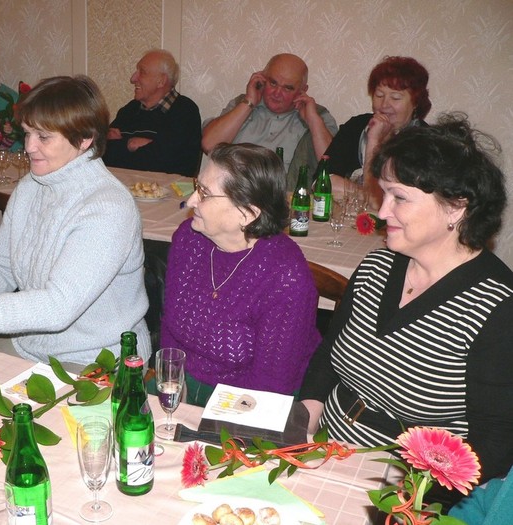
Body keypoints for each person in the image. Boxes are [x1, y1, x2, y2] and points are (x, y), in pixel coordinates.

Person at [298, 114, 513, 509]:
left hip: (409, 488)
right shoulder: (376, 267)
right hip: (325, 451)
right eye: (384, 194)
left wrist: (406, 500)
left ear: (455, 207)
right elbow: (329, 355)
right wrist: (303, 422)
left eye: (399, 197)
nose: (382, 212)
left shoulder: (497, 307)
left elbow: (496, 442)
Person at [0, 76, 151, 367]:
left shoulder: (108, 208)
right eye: (27, 133)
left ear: (85, 138)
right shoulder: (31, 186)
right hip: (32, 345)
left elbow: (57, 307)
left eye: (43, 137)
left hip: (97, 356)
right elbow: (2, 266)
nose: (30, 147)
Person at [161, 143, 320, 406]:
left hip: (245, 399)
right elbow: (170, 331)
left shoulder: (285, 278)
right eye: (197, 186)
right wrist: (173, 390)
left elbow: (270, 387)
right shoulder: (189, 239)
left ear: (247, 213)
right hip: (185, 384)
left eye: (205, 193)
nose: (190, 201)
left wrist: (205, 417)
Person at [202, 53, 337, 187]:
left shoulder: (318, 115)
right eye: (273, 83)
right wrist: (248, 102)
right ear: (262, 79)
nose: (277, 93)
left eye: (287, 88)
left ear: (303, 90)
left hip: (285, 197)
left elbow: (332, 168)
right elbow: (209, 145)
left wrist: (313, 121)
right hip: (232, 191)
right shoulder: (242, 103)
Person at [324, 56, 431, 199]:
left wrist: (373, 141)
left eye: (395, 98)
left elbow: (383, 199)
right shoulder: (356, 126)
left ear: (415, 102)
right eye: (379, 95)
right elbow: (322, 180)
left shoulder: (425, 141)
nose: (384, 105)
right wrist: (365, 195)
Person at [102, 49, 202, 177]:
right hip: (122, 186)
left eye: (142, 72)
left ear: (161, 81)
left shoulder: (185, 111)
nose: (133, 78)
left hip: (166, 189)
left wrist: (121, 144)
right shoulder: (130, 109)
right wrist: (131, 143)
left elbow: (162, 164)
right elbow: (102, 153)